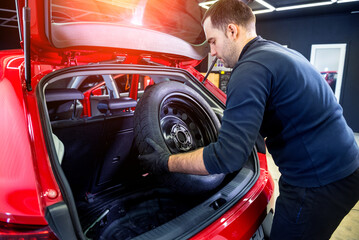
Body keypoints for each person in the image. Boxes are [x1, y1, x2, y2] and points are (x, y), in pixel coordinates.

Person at [139, 0, 359, 239]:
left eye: (212, 41)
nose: (212, 52)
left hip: (317, 184)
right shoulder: (276, 53)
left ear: (232, 31)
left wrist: (165, 162)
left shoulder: (250, 69)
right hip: (344, 168)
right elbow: (266, 115)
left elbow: (228, 157)